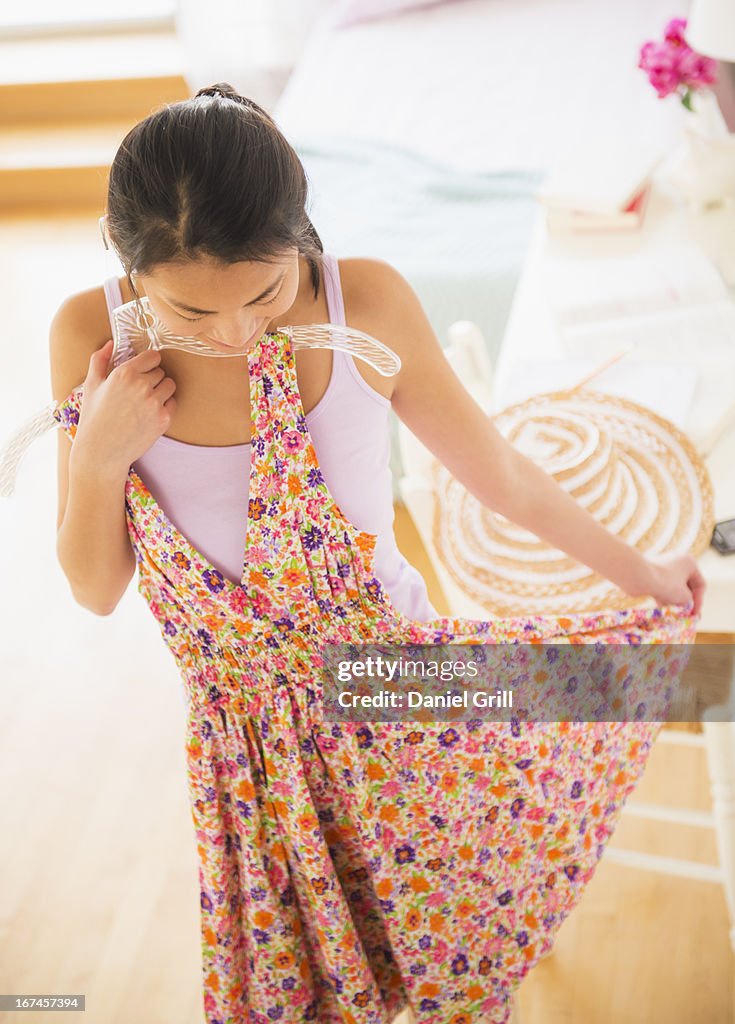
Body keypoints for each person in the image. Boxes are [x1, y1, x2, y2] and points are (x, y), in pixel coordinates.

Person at [49, 83, 704, 1024]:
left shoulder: (368, 304)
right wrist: (101, 455)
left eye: (265, 293)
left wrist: (643, 574)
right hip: (250, 757)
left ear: (300, 233)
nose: (238, 335)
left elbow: (502, 477)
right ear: (126, 260)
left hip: (396, 692)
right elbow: (94, 588)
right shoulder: (89, 337)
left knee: (453, 969)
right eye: (193, 313)